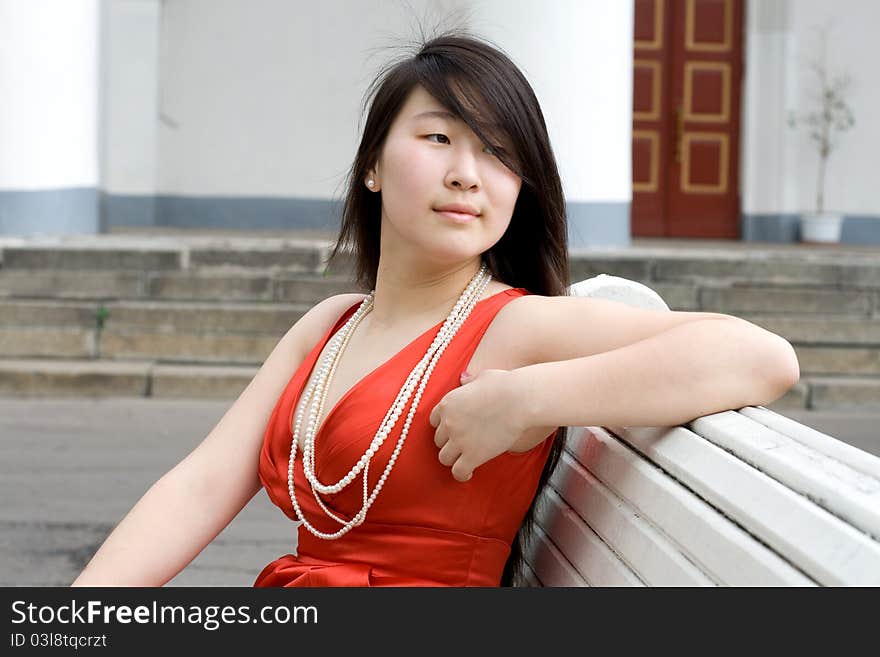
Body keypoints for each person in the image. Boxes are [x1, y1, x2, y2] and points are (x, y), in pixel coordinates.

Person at [72, 31, 799, 588]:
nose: (465, 174)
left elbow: (761, 357)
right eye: (439, 137)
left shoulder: (512, 326)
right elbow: (200, 485)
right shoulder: (328, 325)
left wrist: (526, 399)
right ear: (373, 165)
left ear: (522, 189)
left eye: (498, 153)